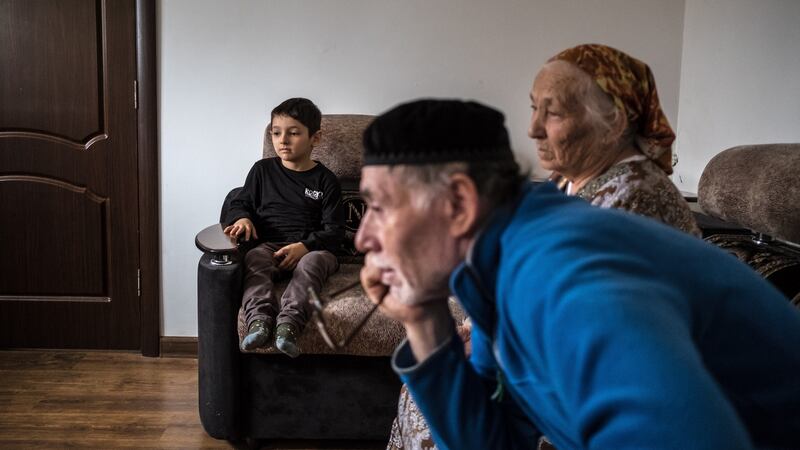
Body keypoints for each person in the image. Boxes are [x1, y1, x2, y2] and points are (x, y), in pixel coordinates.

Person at [355, 98, 800, 449]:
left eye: (377, 206)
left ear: (459, 204)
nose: (363, 238)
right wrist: (423, 319)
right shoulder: (497, 268)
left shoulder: (568, 279)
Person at [387, 43, 700, 449]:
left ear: (615, 121)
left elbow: (589, 333)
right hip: (541, 359)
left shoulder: (634, 198)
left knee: (447, 383)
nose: (533, 128)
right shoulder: (563, 183)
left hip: (608, 393)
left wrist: (491, 341)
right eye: (534, 108)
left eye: (552, 113)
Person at [224, 97, 344, 357]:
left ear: (316, 138)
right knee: (255, 258)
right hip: (269, 246)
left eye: (293, 133)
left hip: (313, 250)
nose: (283, 140)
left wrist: (305, 247)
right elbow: (239, 202)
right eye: (276, 133)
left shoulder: (326, 181)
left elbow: (335, 232)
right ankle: (259, 321)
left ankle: (288, 325)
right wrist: (242, 218)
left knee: (311, 264)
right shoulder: (262, 171)